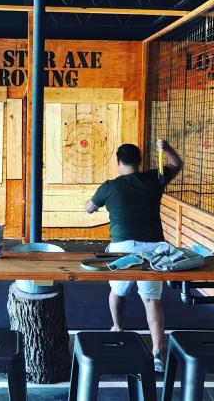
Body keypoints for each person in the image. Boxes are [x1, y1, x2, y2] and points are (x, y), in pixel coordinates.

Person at [85, 140, 183, 372]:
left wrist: (99, 204)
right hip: (153, 250)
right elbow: (177, 164)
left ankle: (118, 327)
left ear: (118, 162)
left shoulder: (109, 187)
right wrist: (166, 149)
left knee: (117, 292)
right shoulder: (154, 179)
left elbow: (88, 208)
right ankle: (158, 353)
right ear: (140, 162)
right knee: (151, 301)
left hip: (123, 249)